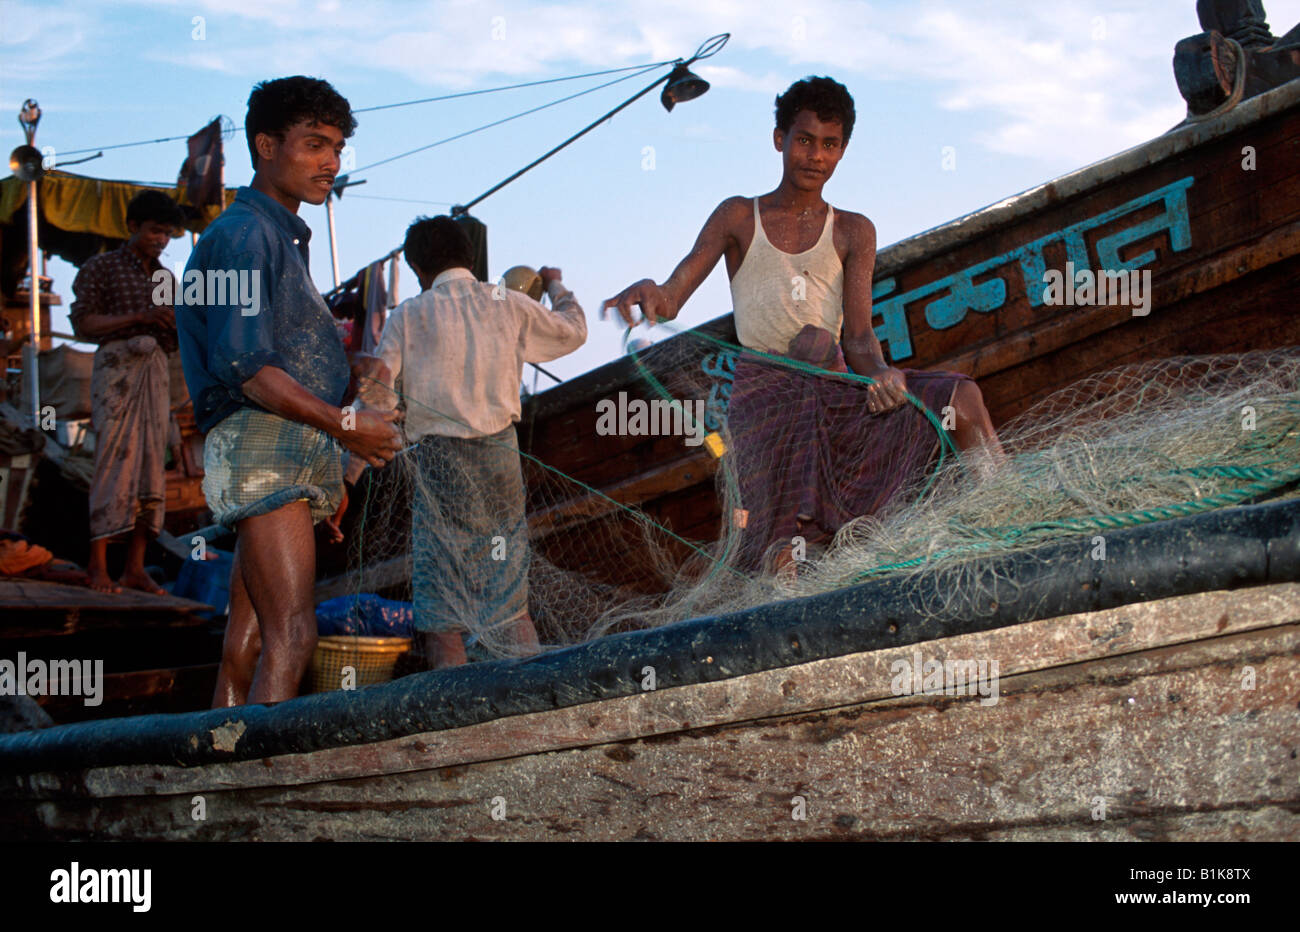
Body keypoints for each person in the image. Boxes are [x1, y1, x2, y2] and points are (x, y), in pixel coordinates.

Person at [604, 76, 1003, 569]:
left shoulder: (855, 230)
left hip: (834, 390)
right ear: (780, 140)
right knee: (781, 556)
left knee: (961, 399)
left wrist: (882, 374)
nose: (815, 156)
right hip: (767, 400)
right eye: (805, 140)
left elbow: (857, 338)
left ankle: (1004, 514)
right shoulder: (737, 216)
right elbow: (671, 298)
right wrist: (653, 294)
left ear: (842, 152)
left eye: (829, 145)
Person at [177, 76, 402, 706]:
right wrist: (348, 428)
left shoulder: (277, 237)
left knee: (246, 636)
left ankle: (223, 755)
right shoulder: (244, 237)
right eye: (313, 144)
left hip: (287, 450)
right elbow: (249, 370)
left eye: (335, 146)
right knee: (294, 634)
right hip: (263, 447)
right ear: (265, 146)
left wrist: (326, 457)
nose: (330, 161)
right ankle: (260, 778)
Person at [355, 216, 587, 667]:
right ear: (470, 256)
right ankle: (526, 701)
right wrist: (557, 285)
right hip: (500, 457)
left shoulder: (409, 314)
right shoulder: (504, 301)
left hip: (441, 466)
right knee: (506, 595)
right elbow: (572, 329)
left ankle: (453, 712)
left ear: (418, 266)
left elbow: (378, 401)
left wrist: (352, 466)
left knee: (443, 603)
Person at [70, 189, 184, 595]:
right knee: (114, 464)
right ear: (133, 226)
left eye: (168, 234)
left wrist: (174, 326)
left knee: (151, 469)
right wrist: (140, 316)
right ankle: (97, 566)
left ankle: (135, 568)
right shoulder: (101, 267)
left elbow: (175, 340)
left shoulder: (167, 279)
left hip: (155, 373)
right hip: (117, 372)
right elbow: (84, 324)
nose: (161, 240)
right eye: (155, 231)